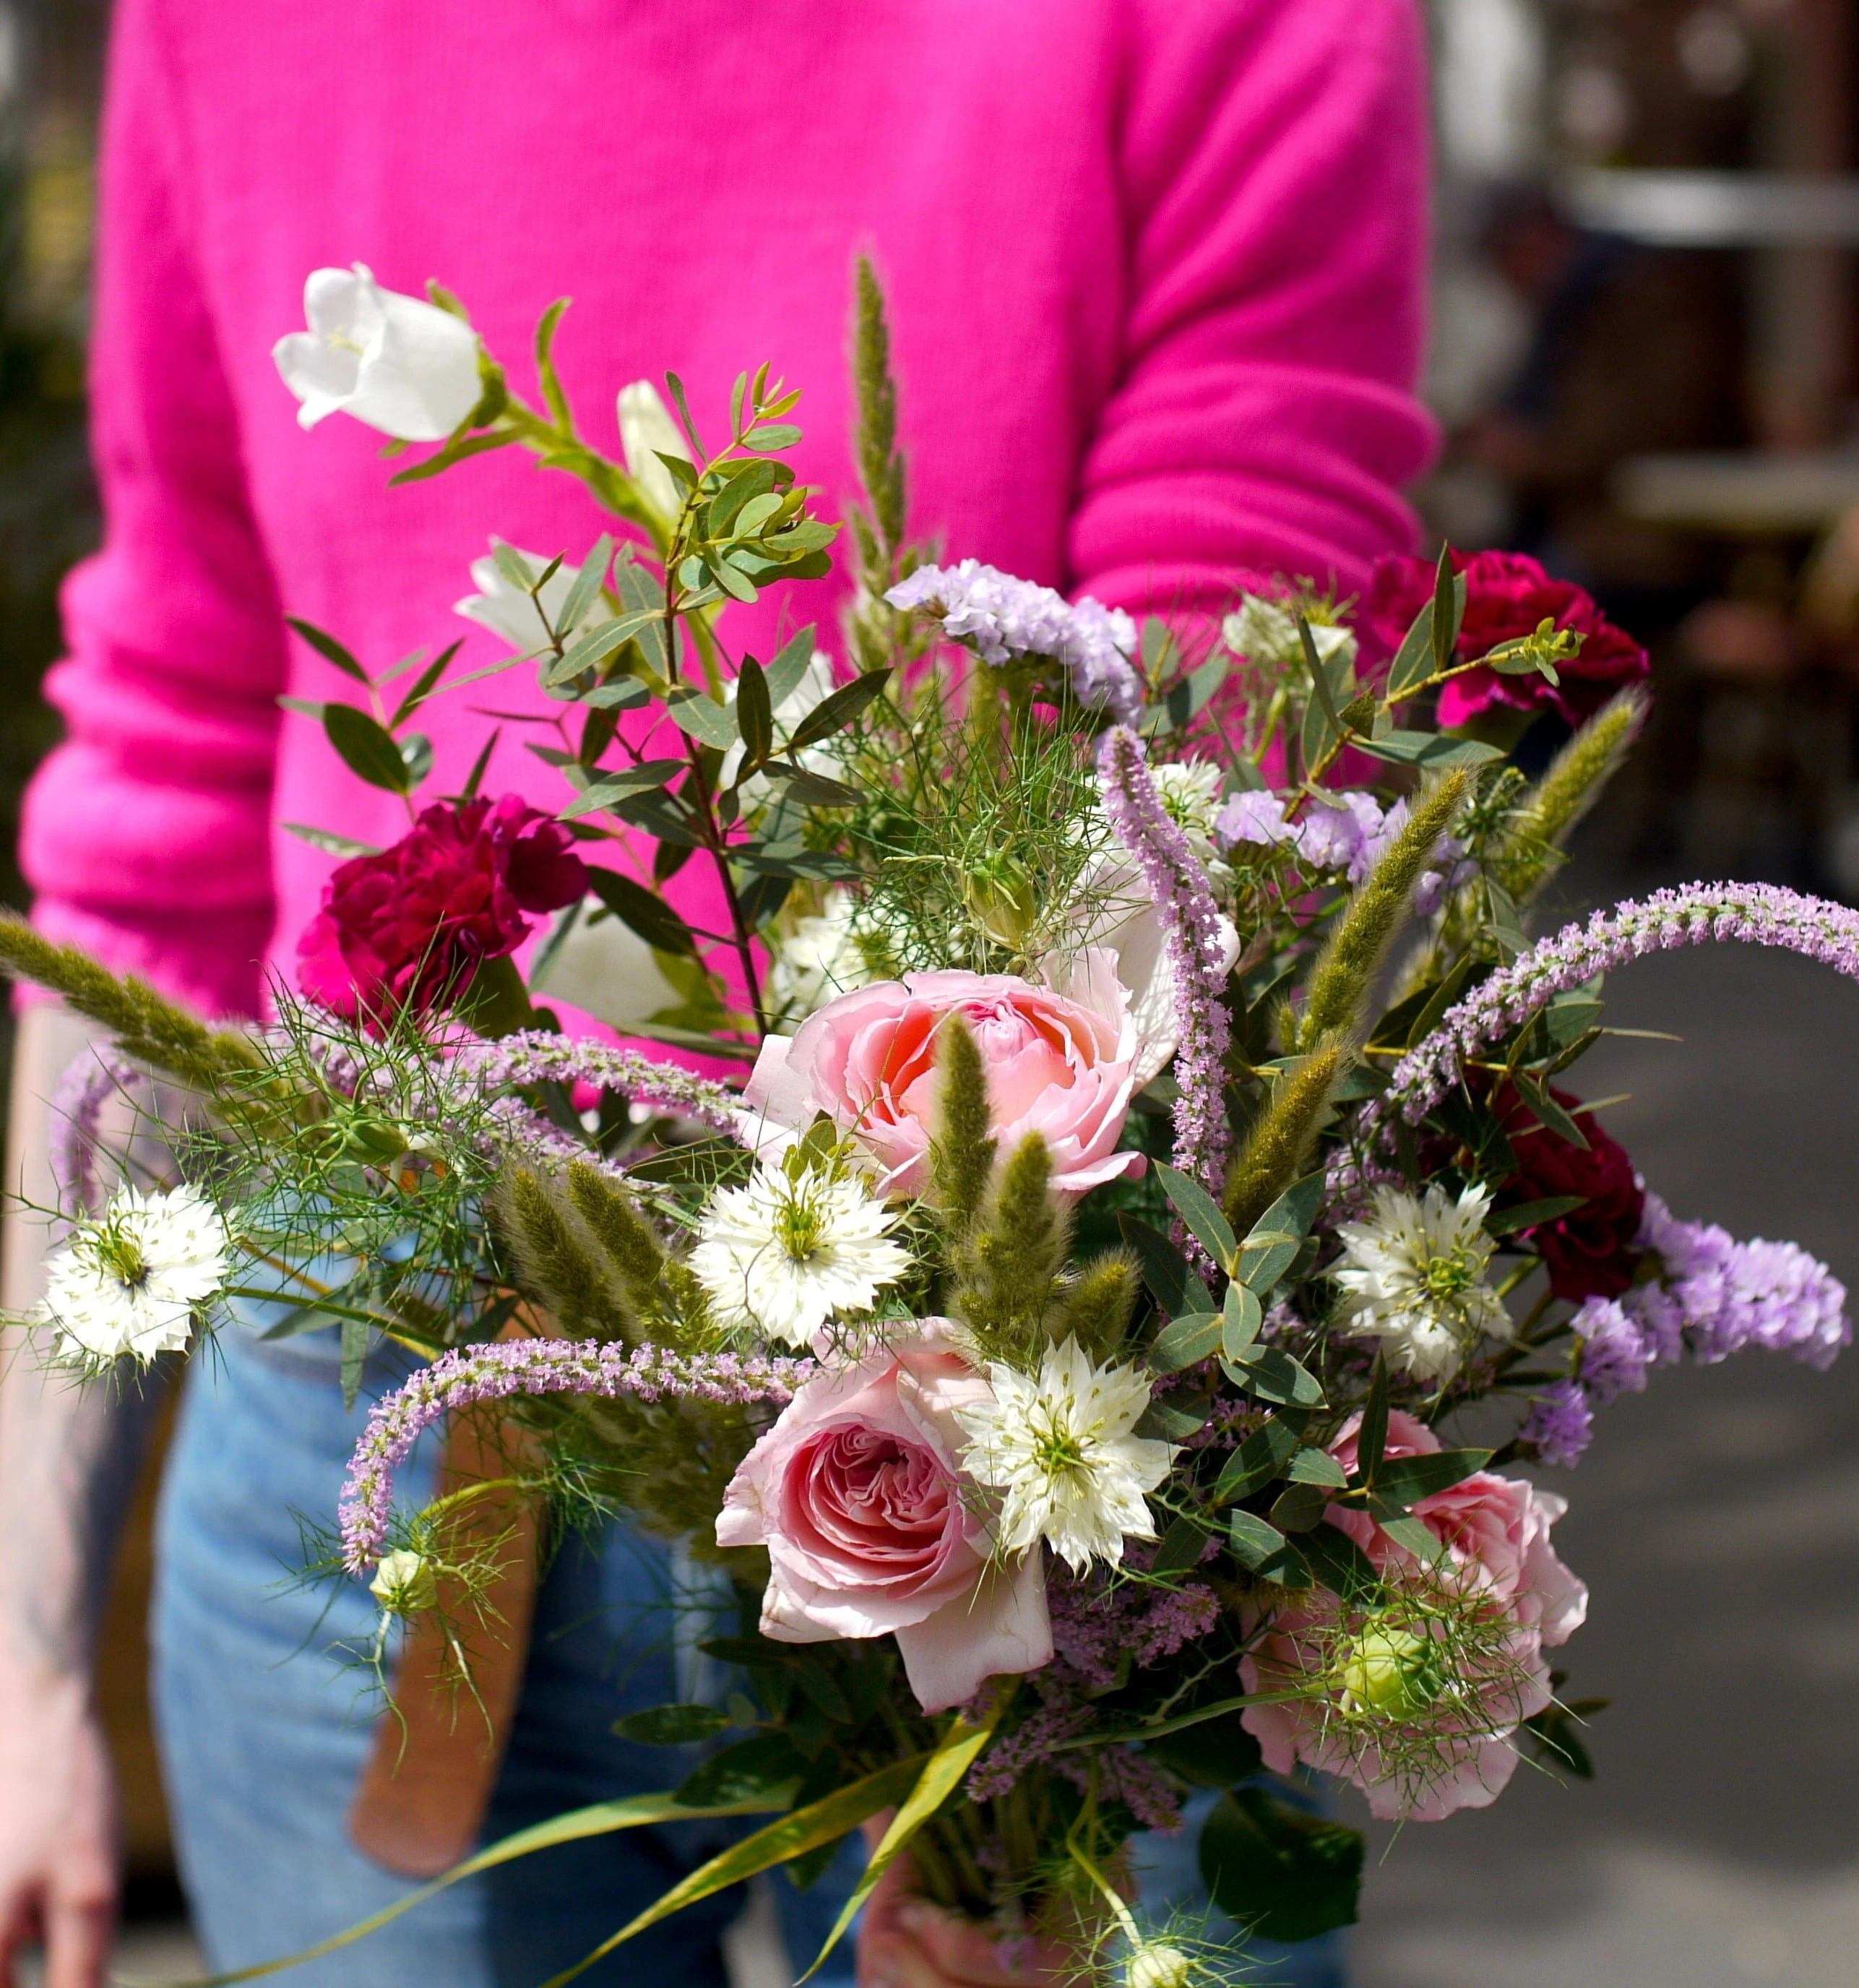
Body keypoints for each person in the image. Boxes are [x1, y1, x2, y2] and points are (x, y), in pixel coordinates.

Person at [0, 2, 1437, 1984]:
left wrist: (1017, 1697)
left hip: (1025, 1412)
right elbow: (162, 791)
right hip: (384, 1453)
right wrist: (20, 1645)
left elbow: (1210, 764)